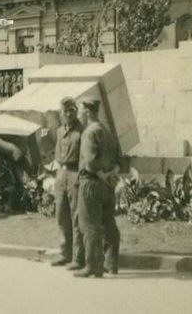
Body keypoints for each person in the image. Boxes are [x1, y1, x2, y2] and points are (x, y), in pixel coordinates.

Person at [74, 98, 121, 278]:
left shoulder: (89, 132)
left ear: (87, 113)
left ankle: (93, 266)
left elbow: (90, 162)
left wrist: (101, 174)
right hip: (108, 187)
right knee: (109, 224)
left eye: (80, 111)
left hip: (91, 184)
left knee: (89, 225)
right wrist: (110, 176)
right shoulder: (108, 132)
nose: (79, 114)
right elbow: (119, 160)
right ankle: (112, 264)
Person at [49, 97, 85, 270]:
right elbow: (57, 152)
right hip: (61, 173)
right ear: (61, 113)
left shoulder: (82, 131)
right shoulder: (59, 131)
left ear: (76, 111)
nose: (69, 113)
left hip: (75, 173)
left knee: (76, 216)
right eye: (65, 111)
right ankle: (65, 253)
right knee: (61, 215)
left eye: (72, 110)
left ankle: (78, 258)